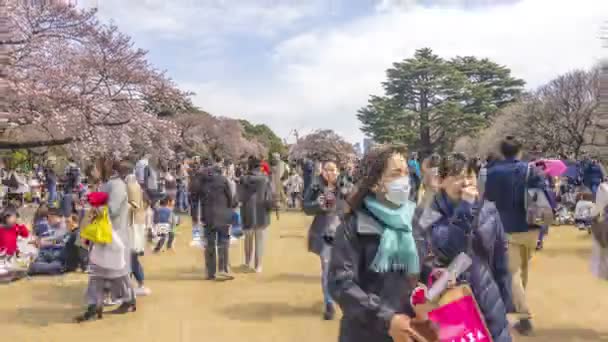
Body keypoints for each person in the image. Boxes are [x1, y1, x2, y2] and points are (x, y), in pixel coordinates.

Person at [328, 145, 425, 342]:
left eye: (406, 173)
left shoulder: (412, 219)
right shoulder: (352, 227)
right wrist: (387, 318)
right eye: (396, 174)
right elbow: (341, 284)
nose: (404, 180)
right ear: (375, 183)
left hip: (410, 330)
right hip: (366, 333)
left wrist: (435, 274)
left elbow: (424, 260)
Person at [420, 153, 512, 341]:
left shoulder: (489, 210)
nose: (465, 182)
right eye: (457, 176)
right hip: (452, 301)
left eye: (469, 176)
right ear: (442, 181)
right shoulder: (429, 215)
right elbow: (449, 252)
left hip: (488, 296)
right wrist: (465, 208)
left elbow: (500, 260)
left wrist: (505, 300)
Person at [485, 136, 547, 335]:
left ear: (502, 152)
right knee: (522, 269)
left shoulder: (491, 173)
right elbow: (543, 196)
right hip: (531, 226)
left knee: (513, 273)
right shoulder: (531, 170)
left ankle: (524, 316)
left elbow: (486, 199)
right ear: (519, 150)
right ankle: (521, 311)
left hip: (505, 227)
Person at [75, 158, 135, 323]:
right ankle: (100, 305)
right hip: (111, 234)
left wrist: (95, 209)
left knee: (106, 272)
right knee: (113, 272)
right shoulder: (116, 185)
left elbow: (112, 210)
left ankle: (97, 306)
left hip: (110, 235)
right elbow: (112, 209)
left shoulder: (115, 185)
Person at [303, 160, 345, 320]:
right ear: (322, 172)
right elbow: (306, 206)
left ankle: (342, 298)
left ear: (338, 171)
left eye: (333, 170)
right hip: (324, 232)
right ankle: (329, 303)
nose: (330, 173)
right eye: (327, 170)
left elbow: (354, 200)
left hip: (343, 232)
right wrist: (318, 204)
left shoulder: (345, 184)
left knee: (342, 269)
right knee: (327, 267)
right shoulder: (315, 186)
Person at [192, 164, 236, 280]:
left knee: (209, 244)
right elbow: (230, 199)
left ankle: (210, 272)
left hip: (208, 217)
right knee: (223, 243)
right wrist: (230, 212)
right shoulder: (223, 180)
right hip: (223, 216)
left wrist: (195, 218)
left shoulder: (201, 182)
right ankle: (223, 269)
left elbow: (194, 200)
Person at [238, 156, 273, 273]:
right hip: (262, 212)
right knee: (259, 239)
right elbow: (270, 195)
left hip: (247, 212)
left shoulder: (243, 179)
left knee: (248, 238)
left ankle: (247, 262)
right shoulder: (265, 179)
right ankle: (258, 265)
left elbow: (239, 196)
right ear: (260, 166)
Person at [125, 167, 150, 296]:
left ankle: (134, 284)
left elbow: (133, 206)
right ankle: (138, 283)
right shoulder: (139, 189)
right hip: (138, 229)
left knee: (130, 259)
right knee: (132, 259)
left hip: (133, 229)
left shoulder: (131, 188)